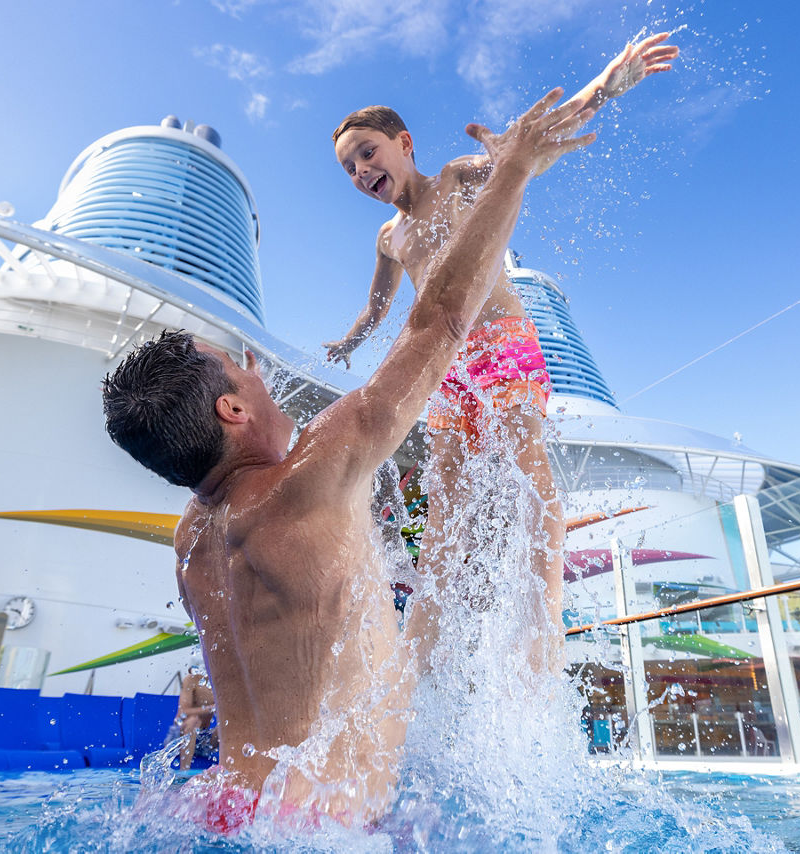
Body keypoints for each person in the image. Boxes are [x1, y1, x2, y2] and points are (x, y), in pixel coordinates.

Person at [101, 90, 595, 831]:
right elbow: (440, 318)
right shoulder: (313, 478)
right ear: (232, 411)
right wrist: (518, 170)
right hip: (325, 825)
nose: (256, 369)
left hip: (224, 806)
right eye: (241, 369)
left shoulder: (191, 540)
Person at [325, 33, 678, 671]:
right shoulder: (388, 236)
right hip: (445, 364)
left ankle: (542, 625)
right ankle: (425, 647)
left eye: (368, 153)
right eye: (349, 168)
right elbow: (378, 307)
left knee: (525, 462)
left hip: (503, 342)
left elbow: (531, 148)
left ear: (404, 144)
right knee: (447, 501)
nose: (360, 173)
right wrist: (350, 342)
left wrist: (608, 82)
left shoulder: (459, 179)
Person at [166, 661, 217, 770]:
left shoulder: (219, 683)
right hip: (179, 737)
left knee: (227, 726)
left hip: (204, 739)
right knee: (194, 721)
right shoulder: (190, 680)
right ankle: (184, 771)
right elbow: (183, 712)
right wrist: (211, 708)